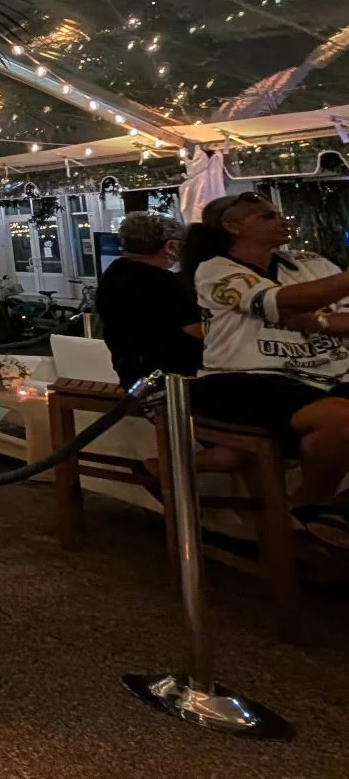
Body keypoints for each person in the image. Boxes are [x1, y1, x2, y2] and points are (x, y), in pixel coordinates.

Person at [183, 192, 349, 546]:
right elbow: (280, 301)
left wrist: (319, 323)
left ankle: (317, 515)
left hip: (327, 374)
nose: (281, 220)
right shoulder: (216, 269)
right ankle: (310, 513)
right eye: (267, 216)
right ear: (233, 226)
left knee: (334, 428)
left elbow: (336, 315)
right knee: (340, 419)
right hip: (245, 378)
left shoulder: (311, 264)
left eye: (278, 213)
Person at [96, 212, 201, 386]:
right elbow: (195, 329)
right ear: (171, 246)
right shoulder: (164, 283)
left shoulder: (114, 273)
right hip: (172, 380)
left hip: (130, 372)